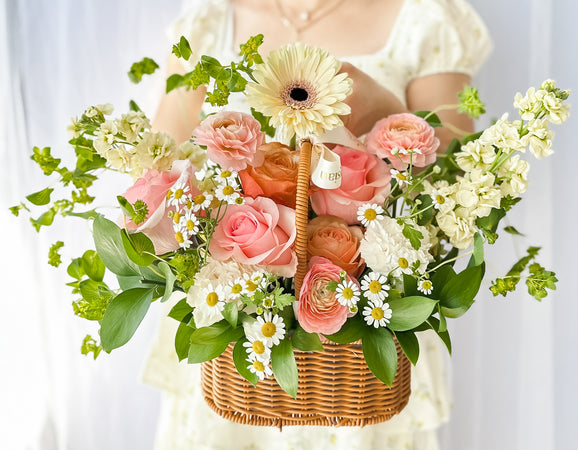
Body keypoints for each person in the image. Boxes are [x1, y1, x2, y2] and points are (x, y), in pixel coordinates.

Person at [143, 1, 492, 449]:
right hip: (232, 341)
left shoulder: (427, 19)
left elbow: (459, 191)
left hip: (359, 352)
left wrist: (381, 110)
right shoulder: (208, 23)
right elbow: (163, 175)